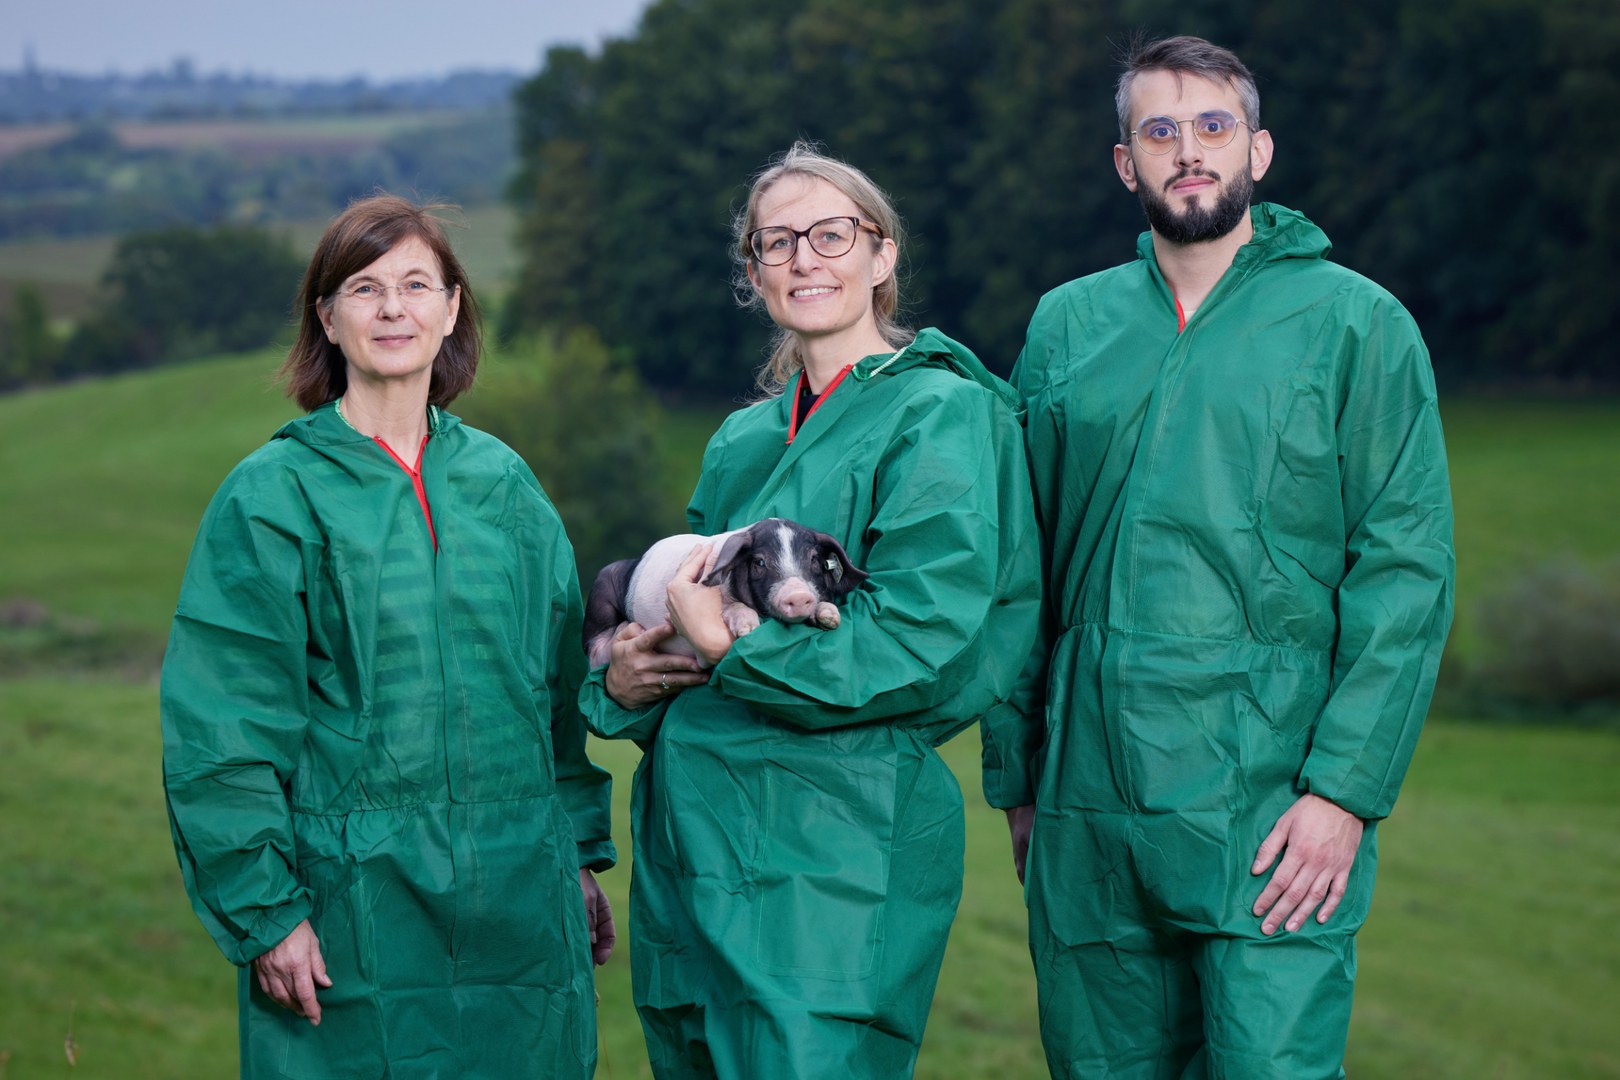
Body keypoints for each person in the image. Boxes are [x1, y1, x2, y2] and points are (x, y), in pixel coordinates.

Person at [986, 36, 1456, 1078]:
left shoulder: (1357, 325)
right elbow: (1024, 565)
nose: (1187, 151)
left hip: (1273, 804)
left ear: (1260, 149)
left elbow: (1406, 574)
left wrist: (1345, 794)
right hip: (1090, 803)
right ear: (1126, 164)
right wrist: (1021, 774)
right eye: (1159, 130)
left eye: (1212, 127)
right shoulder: (1068, 327)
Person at [579, 142, 1041, 1079]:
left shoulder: (941, 417)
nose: (805, 258)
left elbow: (923, 642)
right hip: (690, 847)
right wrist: (627, 681)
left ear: (883, 257)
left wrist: (734, 654)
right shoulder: (743, 439)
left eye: (832, 234)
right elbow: (688, 625)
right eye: (776, 241)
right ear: (752, 273)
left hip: (832, 853)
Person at [161, 194, 617, 1078]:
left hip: (520, 898)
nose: (393, 308)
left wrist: (578, 858)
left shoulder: (506, 488)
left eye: (417, 284)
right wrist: (266, 911)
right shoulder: (273, 496)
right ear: (327, 319)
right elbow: (225, 728)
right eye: (364, 288)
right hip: (350, 908)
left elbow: (555, 698)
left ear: (452, 310)